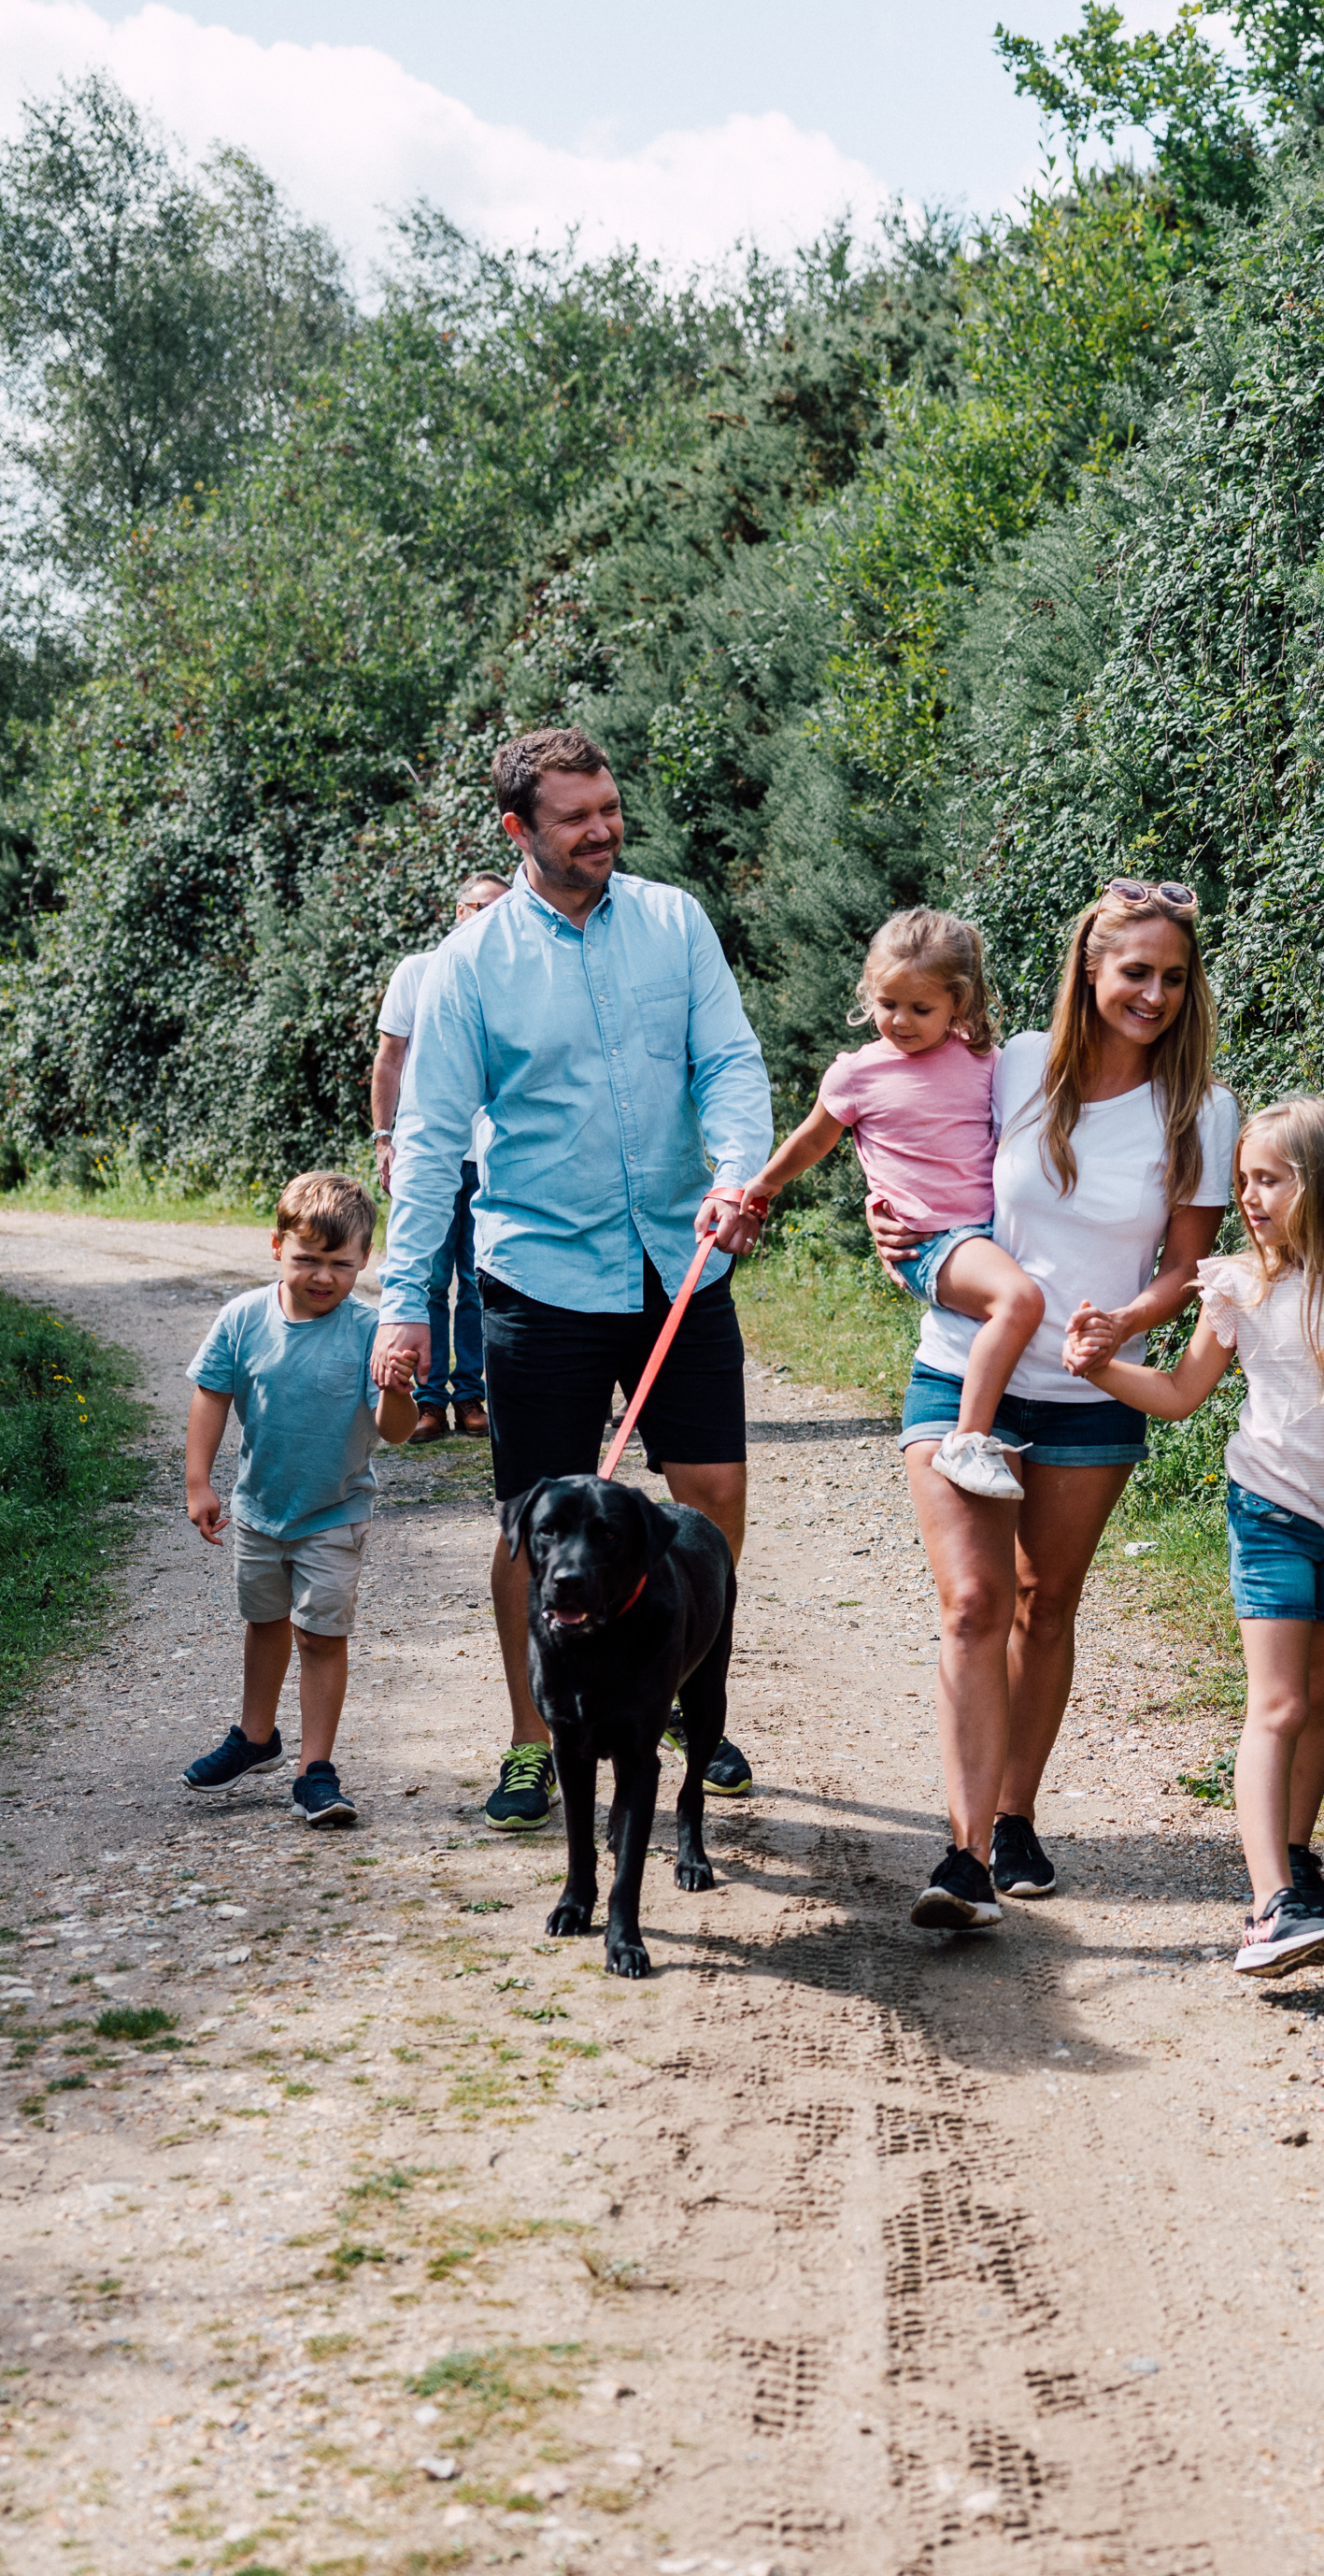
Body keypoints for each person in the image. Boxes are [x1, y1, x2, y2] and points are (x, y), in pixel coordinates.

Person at [373, 729, 774, 1833]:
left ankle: (691, 1694)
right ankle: (533, 1738)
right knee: (531, 1527)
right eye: (574, 816)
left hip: (677, 1260)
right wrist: (405, 1300)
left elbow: (728, 1061)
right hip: (537, 1277)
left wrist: (737, 1174)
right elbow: (429, 1134)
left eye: (608, 807)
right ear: (518, 830)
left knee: (714, 1498)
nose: (602, 829)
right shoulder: (469, 968)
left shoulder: (674, 920)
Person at [875, 880, 1234, 1931]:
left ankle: (1017, 1814)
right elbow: (916, 1136)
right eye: (1135, 972)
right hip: (965, 1371)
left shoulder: (1202, 1108)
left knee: (1047, 1603)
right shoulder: (1016, 1063)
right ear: (1091, 967)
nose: (1154, 994)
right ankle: (961, 1850)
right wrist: (889, 1212)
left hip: (1090, 1390)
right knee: (975, 1606)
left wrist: (1124, 1324)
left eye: (1173, 977)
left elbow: (1187, 1266)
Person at [1066, 1095, 1324, 1976]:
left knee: (1320, 1696)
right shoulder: (1240, 1284)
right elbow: (1179, 1393)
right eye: (1241, 1181)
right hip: (1270, 1511)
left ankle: (1299, 1862)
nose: (1248, 1196)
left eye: (1267, 1179)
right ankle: (1270, 1902)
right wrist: (1104, 1366)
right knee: (1276, 1704)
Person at [737, 909, 1045, 1502]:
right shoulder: (860, 1072)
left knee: (1017, 1303)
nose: (898, 1021)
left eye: (919, 1009)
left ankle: (995, 1420)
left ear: (958, 1003)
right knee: (1018, 1299)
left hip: (987, 1234)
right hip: (927, 1240)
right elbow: (814, 1137)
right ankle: (968, 1440)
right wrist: (765, 1184)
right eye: (887, 1003)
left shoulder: (987, 1061)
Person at [180, 1170, 423, 1828]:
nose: (323, 1276)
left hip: (334, 1513)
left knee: (320, 1636)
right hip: (260, 1511)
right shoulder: (243, 1318)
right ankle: (255, 1738)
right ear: (276, 1247)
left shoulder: (370, 1332)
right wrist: (198, 1481)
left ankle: (315, 1770)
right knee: (263, 1624)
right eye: (306, 1260)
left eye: (340, 1265)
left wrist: (397, 1388)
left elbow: (396, 1434)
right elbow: (212, 1394)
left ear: (363, 1261)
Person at [368, 873, 508, 1440]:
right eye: (481, 908)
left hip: (491, 1155)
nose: (491, 920)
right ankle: (426, 1402)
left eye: (504, 910)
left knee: (479, 1282)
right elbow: (390, 1059)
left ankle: (471, 1396)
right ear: (458, 911)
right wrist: (385, 1136)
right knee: (426, 1279)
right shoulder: (418, 971)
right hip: (429, 1154)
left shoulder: (514, 977)